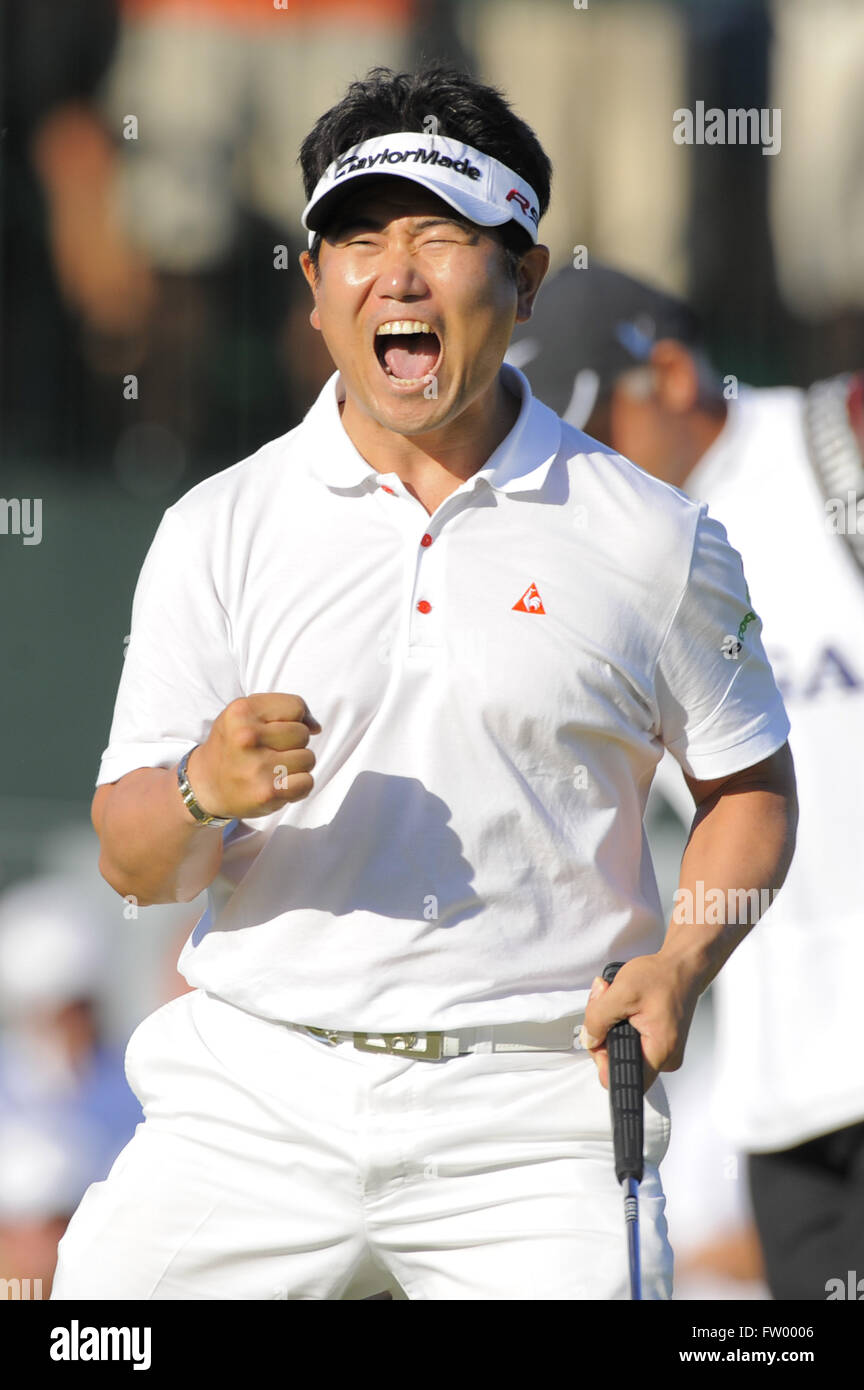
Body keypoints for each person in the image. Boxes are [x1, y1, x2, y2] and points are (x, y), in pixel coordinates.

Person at [51, 68, 796, 1302]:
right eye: (357, 236)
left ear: (527, 277)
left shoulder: (657, 536)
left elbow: (750, 790)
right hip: (253, 1099)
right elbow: (134, 863)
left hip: (535, 1112)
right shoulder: (213, 526)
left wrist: (679, 966)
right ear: (313, 286)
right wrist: (198, 790)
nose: (396, 272)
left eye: (441, 234)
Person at [511, 261, 863, 1300]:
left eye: (592, 429)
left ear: (668, 373)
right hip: (787, 1099)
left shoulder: (833, 441)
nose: (572, 465)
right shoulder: (598, 553)